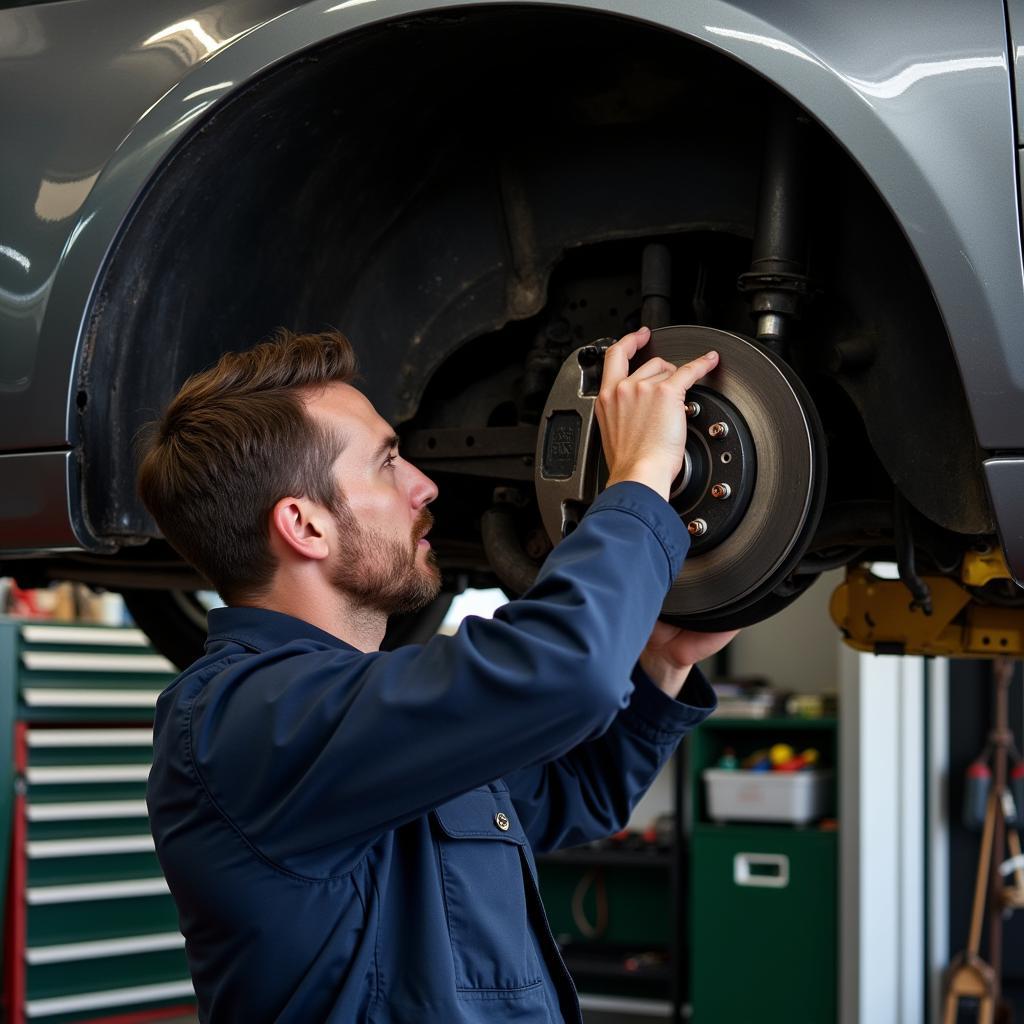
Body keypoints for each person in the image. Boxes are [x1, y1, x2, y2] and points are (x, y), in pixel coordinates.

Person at [139, 324, 738, 1023]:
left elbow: (571, 792)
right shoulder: (240, 722)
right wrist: (639, 478)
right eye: (387, 463)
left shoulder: (373, 718)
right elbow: (567, 673)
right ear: (305, 527)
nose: (424, 485)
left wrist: (663, 661)